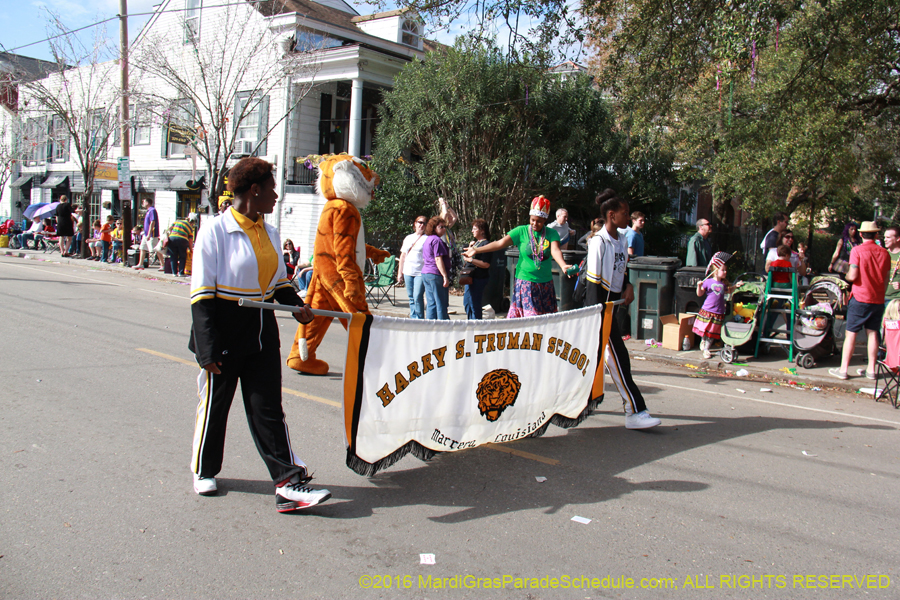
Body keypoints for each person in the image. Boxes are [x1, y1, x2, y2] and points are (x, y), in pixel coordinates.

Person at [189, 156, 330, 512]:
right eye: (272, 188)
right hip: (224, 330)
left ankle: (287, 483)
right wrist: (208, 349)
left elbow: (280, 282)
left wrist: (297, 305)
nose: (277, 195)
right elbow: (202, 296)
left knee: (267, 408)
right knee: (216, 407)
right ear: (254, 190)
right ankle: (204, 469)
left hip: (263, 331)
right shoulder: (214, 231)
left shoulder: (269, 231)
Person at [584, 189, 660, 429]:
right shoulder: (598, 242)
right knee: (619, 358)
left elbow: (622, 270)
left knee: (591, 361)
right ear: (611, 215)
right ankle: (635, 410)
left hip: (613, 307)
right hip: (600, 310)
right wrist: (598, 317)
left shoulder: (623, 239)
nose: (628, 217)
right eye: (625, 213)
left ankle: (574, 402)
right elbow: (593, 282)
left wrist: (628, 286)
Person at [464, 195, 573, 318]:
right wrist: (476, 250)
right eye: (532, 220)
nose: (535, 223)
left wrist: (563, 265)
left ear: (545, 220)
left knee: (544, 321)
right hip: (526, 283)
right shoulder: (521, 231)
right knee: (531, 318)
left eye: (539, 221)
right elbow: (499, 243)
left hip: (545, 284)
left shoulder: (551, 233)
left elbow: (555, 250)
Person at [829, 221, 890, 380]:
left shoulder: (857, 251)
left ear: (861, 234)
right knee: (873, 334)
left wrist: (847, 275)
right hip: (877, 298)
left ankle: (843, 370)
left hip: (860, 296)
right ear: (876, 235)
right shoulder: (884, 253)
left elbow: (853, 275)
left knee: (851, 334)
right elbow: (886, 278)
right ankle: (871, 370)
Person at [694, 261, 742, 359]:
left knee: (712, 332)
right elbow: (699, 294)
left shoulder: (723, 284)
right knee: (705, 329)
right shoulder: (708, 282)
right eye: (723, 270)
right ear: (716, 271)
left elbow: (729, 290)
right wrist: (699, 286)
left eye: (726, 270)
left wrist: (735, 286)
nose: (725, 272)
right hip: (707, 310)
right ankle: (703, 340)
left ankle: (706, 349)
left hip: (718, 312)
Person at [397, 216, 428, 319]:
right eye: (420, 222)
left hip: (420, 272)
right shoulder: (408, 238)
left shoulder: (427, 239)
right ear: (415, 224)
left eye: (424, 223)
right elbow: (403, 256)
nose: (422, 225)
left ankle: (419, 319)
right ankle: (413, 317)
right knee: (411, 297)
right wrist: (399, 272)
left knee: (417, 296)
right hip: (408, 271)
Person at [422, 216, 451, 320]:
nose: (443, 229)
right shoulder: (437, 241)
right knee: (440, 303)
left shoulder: (427, 239)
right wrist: (445, 276)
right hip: (435, 274)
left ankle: (430, 327)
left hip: (426, 273)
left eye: (444, 227)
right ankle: (444, 327)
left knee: (431, 303)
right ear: (434, 228)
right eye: (441, 227)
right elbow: (438, 259)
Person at [462, 218, 492, 319]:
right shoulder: (476, 243)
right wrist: (470, 248)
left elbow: (486, 264)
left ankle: (477, 326)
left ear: (482, 230)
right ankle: (470, 324)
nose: (472, 231)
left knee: (475, 304)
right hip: (470, 277)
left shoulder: (486, 244)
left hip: (479, 278)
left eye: (475, 229)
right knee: (467, 303)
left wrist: (471, 260)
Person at [135, 197, 165, 270]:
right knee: (142, 248)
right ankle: (140, 264)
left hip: (151, 235)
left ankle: (163, 264)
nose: (143, 203)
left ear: (147, 202)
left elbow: (153, 222)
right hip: (146, 234)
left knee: (156, 249)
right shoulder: (148, 211)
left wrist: (149, 233)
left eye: (144, 202)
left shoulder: (152, 210)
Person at [884, 226, 900, 309]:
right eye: (884, 237)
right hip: (881, 298)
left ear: (898, 238)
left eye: (888, 237)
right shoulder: (883, 254)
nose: (885, 240)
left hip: (897, 300)